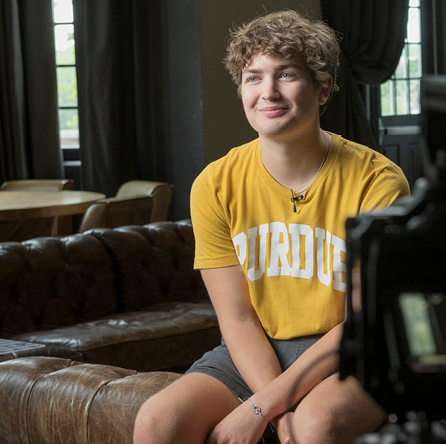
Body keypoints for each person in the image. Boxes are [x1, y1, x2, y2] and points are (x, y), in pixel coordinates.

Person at [133, 9, 411, 444]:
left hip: (357, 352)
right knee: (157, 422)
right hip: (258, 349)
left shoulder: (378, 181)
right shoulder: (215, 184)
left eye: (286, 75)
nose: (268, 92)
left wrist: (263, 409)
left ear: (323, 89)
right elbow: (239, 319)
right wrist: (273, 410)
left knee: (313, 427)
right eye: (253, 77)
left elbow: (364, 322)